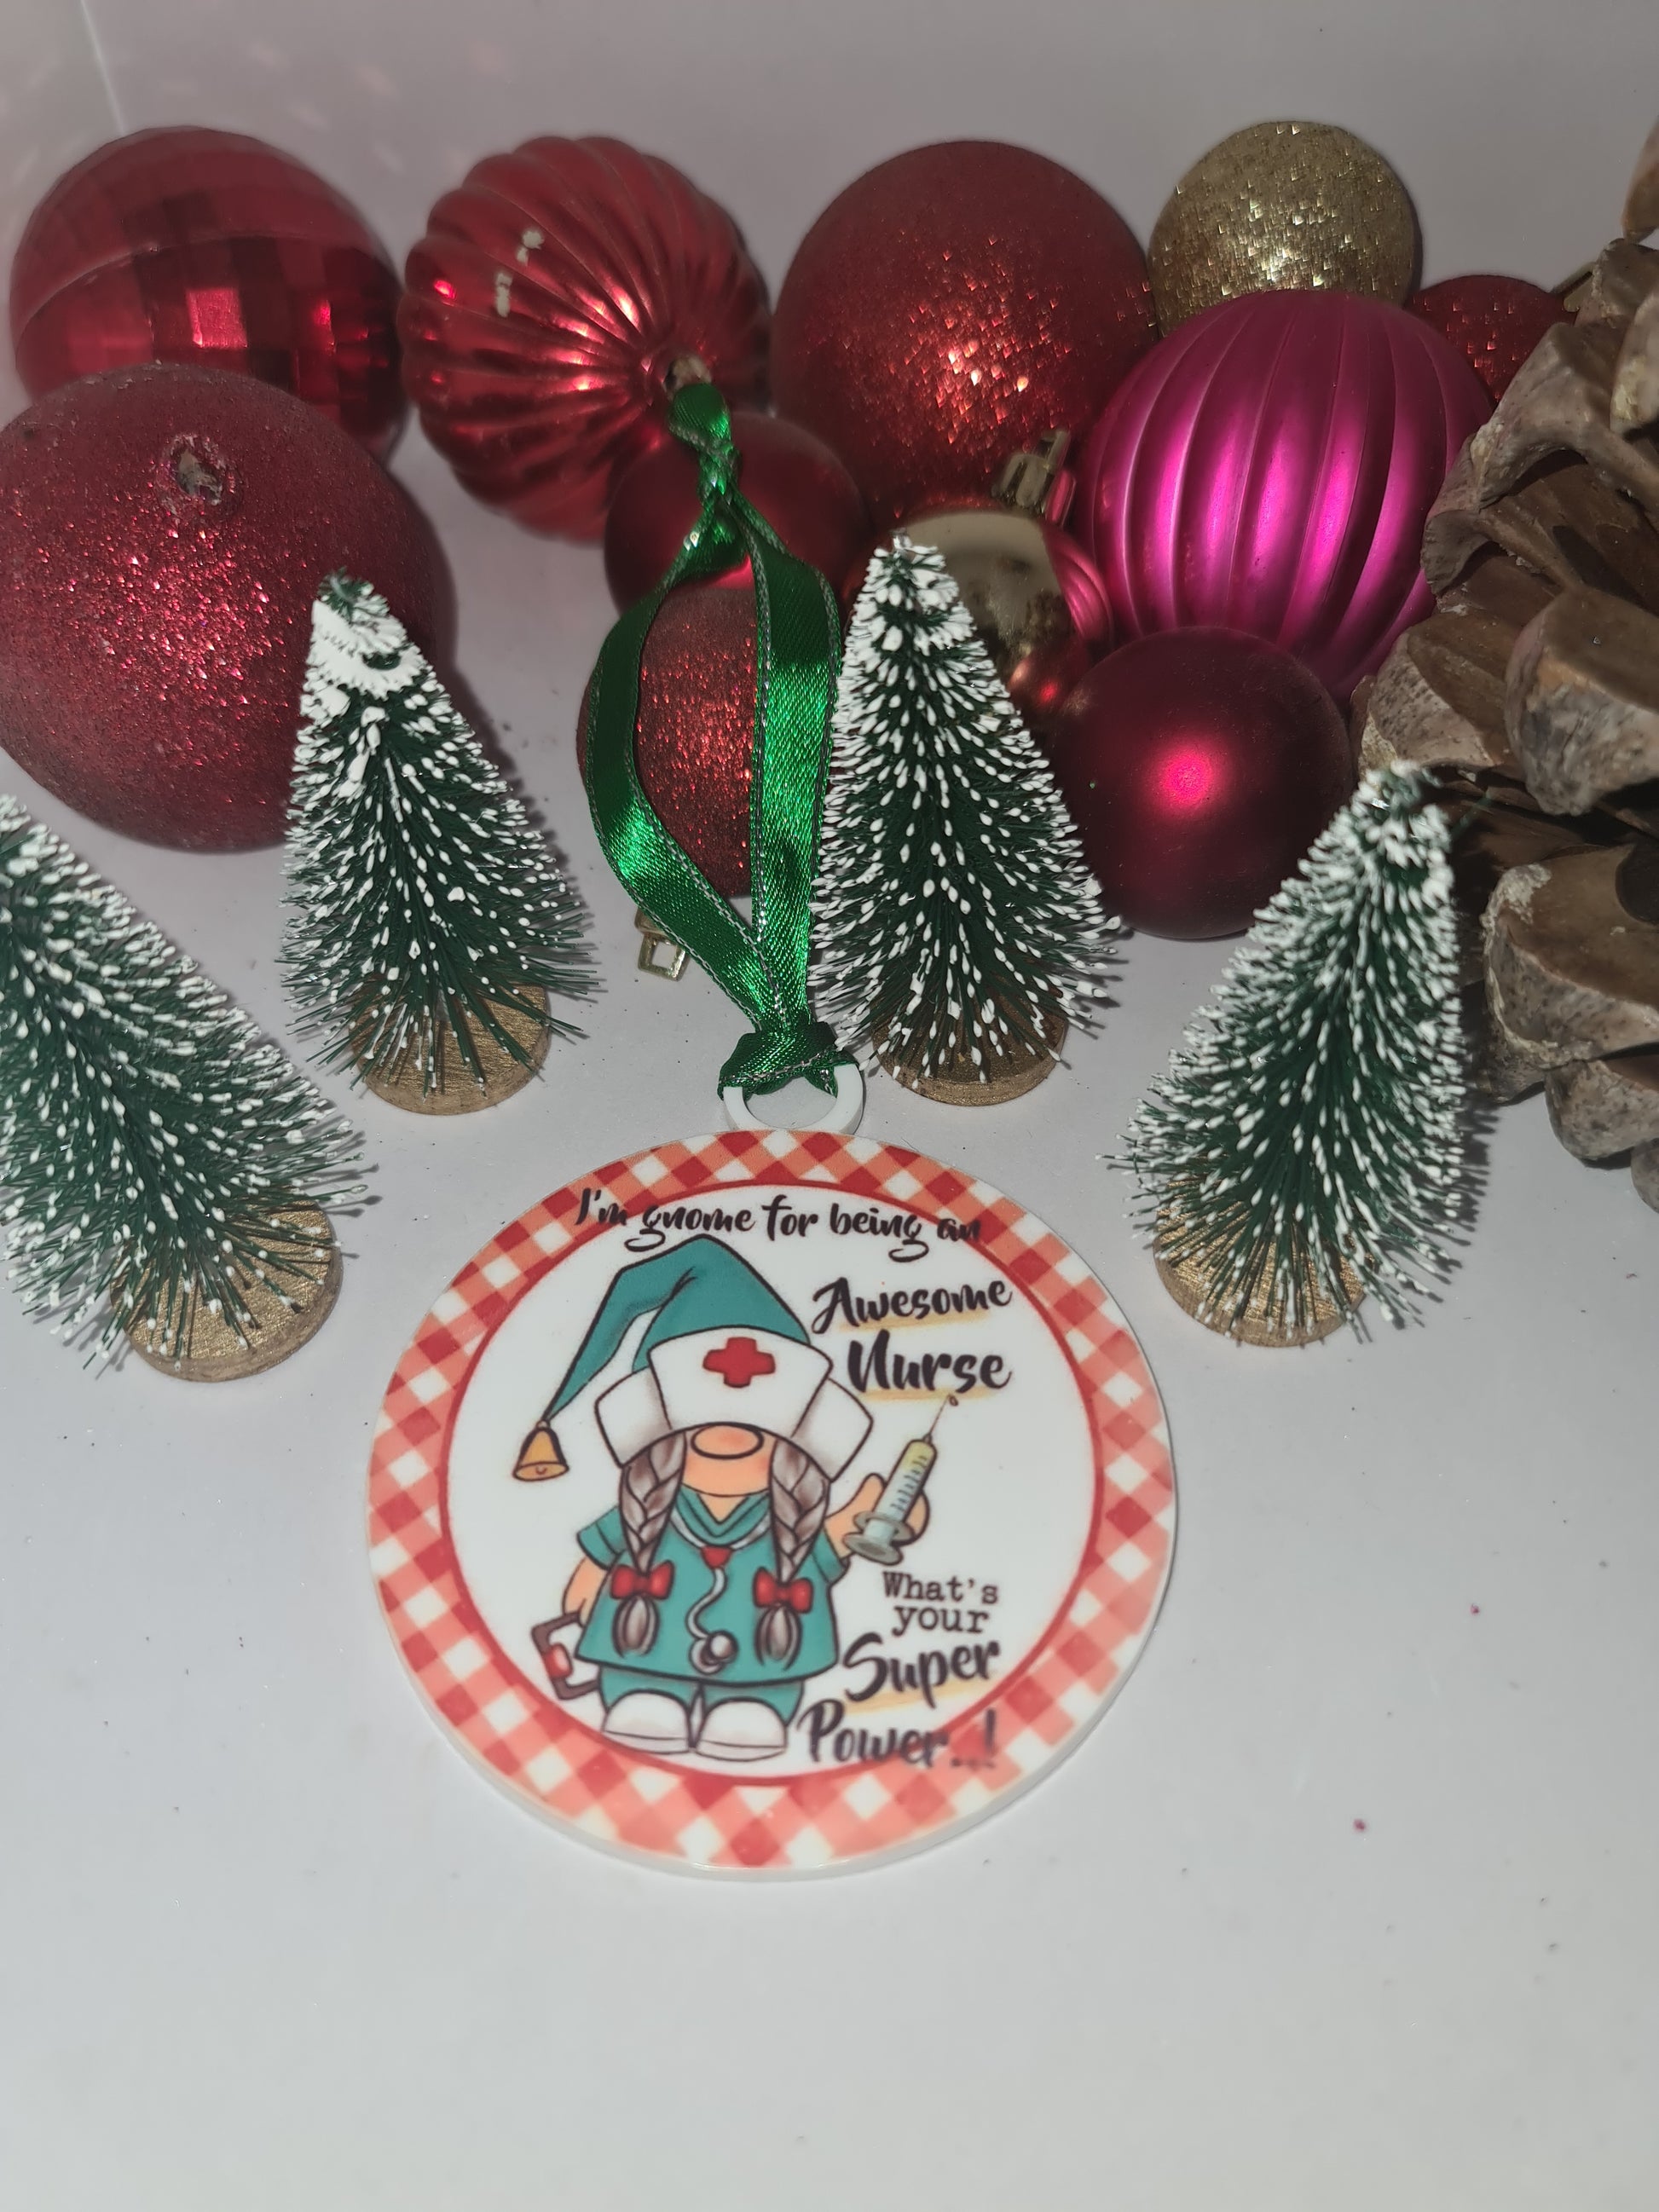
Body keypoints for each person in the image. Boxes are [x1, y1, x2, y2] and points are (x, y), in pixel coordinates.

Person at [513, 1237, 924, 1761]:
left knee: (761, 1685)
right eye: (697, 1438)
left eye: (757, 1439)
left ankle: (754, 1706)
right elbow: (602, 1551)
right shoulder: (645, 1512)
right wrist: (587, 1582)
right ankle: (644, 1695)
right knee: (641, 1677)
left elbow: (831, 1543)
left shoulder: (789, 1522)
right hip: (643, 1634)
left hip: (766, 1645)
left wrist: (874, 1518)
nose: (726, 1449)